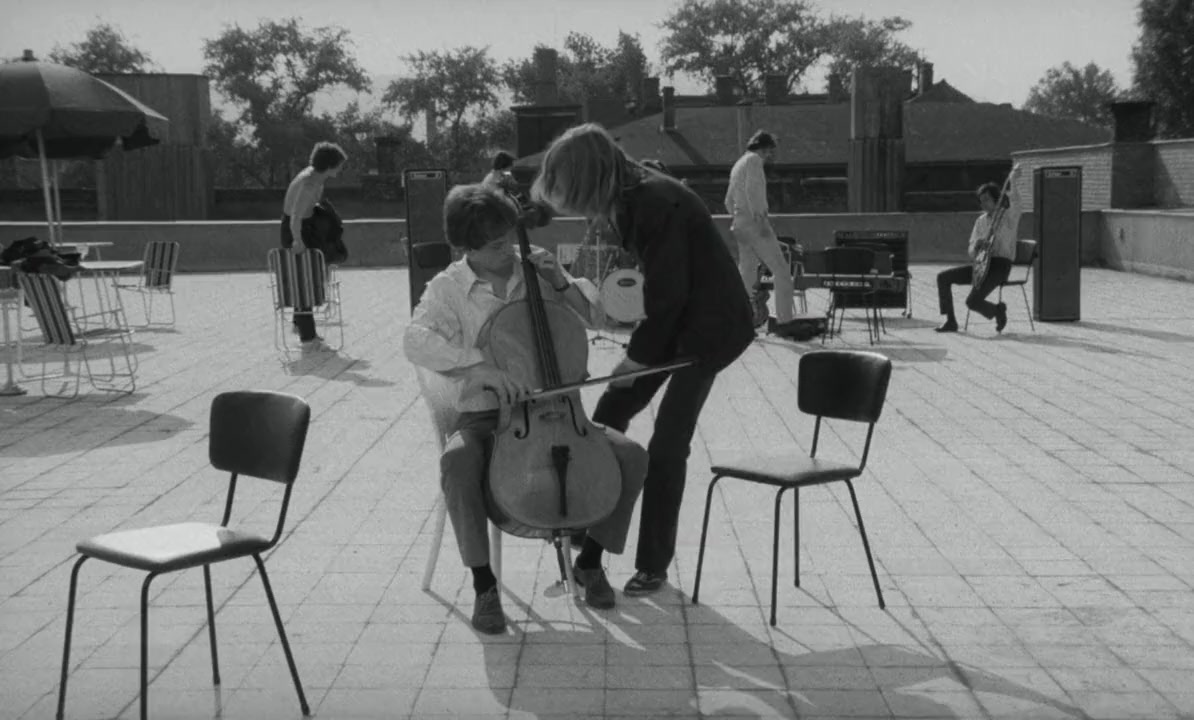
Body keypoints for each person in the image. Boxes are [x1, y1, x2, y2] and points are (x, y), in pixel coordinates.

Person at [403, 182, 648, 633]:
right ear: (466, 246)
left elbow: (596, 318)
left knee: (631, 457)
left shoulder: (535, 265)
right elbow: (415, 340)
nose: (508, 251)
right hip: (487, 416)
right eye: (495, 245)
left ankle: (589, 561)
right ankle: (484, 586)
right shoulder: (447, 288)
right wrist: (477, 366)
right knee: (457, 463)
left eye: (508, 238)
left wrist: (561, 282)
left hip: (561, 408)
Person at [531, 123, 755, 597]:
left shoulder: (656, 201)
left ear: (589, 177)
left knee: (668, 443)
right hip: (675, 321)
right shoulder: (630, 194)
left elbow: (668, 295)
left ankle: (652, 563)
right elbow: (663, 296)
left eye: (571, 190)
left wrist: (635, 361)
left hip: (712, 330)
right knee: (609, 413)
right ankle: (588, 533)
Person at [936, 164, 1023, 333]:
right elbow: (971, 249)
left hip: (999, 267)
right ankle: (950, 321)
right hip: (982, 266)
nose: (983, 204)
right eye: (981, 201)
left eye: (987, 200)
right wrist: (976, 247)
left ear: (996, 199)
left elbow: (1017, 202)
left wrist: (1013, 181)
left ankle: (997, 311)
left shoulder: (1008, 217)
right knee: (943, 277)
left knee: (972, 302)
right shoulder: (980, 221)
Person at [726, 130, 798, 334]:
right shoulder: (755, 161)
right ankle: (785, 322)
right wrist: (760, 221)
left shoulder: (738, 164)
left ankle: (741, 321)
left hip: (739, 224)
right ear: (765, 149)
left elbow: (728, 200)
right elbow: (753, 191)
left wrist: (738, 216)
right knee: (782, 272)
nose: (770, 156)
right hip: (755, 223)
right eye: (770, 151)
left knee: (747, 274)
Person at [281, 141, 348, 347]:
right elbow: (295, 216)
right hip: (297, 229)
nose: (341, 169)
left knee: (306, 277)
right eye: (339, 165)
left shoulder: (315, 177)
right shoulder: (309, 183)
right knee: (304, 282)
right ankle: (308, 336)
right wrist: (297, 240)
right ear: (330, 165)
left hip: (305, 227)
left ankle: (298, 322)